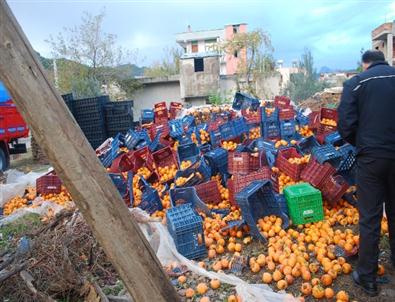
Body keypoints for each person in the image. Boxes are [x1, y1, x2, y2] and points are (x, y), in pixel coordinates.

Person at [338, 50, 395, 296]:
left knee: (370, 218)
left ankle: (367, 277)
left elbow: (345, 125)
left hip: (371, 158)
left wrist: (361, 143)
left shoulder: (356, 83)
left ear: (365, 64)